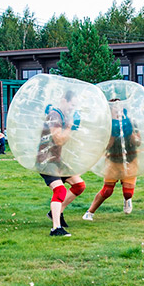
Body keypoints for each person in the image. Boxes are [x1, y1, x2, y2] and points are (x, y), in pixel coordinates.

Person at [38, 90, 87, 237]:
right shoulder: (54, 115)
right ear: (64, 100)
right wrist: (69, 127)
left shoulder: (63, 116)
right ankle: (55, 229)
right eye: (72, 105)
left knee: (79, 185)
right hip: (46, 160)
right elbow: (59, 139)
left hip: (57, 160)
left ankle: (56, 213)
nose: (73, 108)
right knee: (59, 191)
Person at [83, 98, 140, 221]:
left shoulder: (130, 122)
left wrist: (130, 134)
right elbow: (105, 146)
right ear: (110, 110)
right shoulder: (106, 124)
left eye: (120, 107)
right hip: (113, 160)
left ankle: (127, 199)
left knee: (128, 193)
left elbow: (138, 142)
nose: (118, 110)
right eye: (115, 108)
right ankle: (89, 212)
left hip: (130, 159)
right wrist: (113, 134)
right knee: (107, 190)